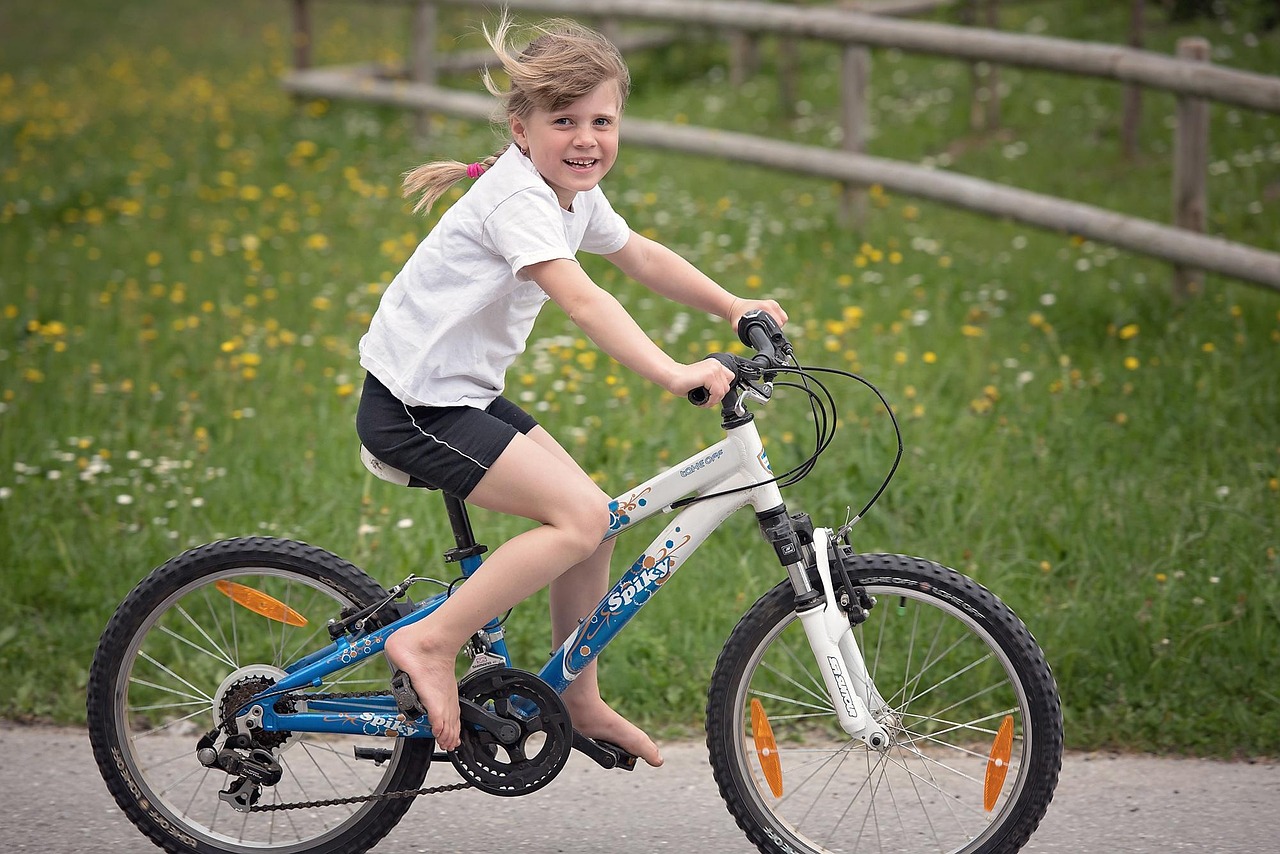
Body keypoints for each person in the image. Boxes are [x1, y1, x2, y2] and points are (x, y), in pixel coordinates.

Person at [356, 13, 787, 768]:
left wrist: (732, 306)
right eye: (565, 121)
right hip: (412, 406)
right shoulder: (519, 201)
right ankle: (429, 641)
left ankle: (576, 696)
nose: (586, 138)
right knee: (580, 518)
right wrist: (672, 371)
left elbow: (641, 256)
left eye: (602, 120)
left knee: (602, 519)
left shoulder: (570, 193)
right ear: (522, 130)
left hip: (460, 395)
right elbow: (582, 299)